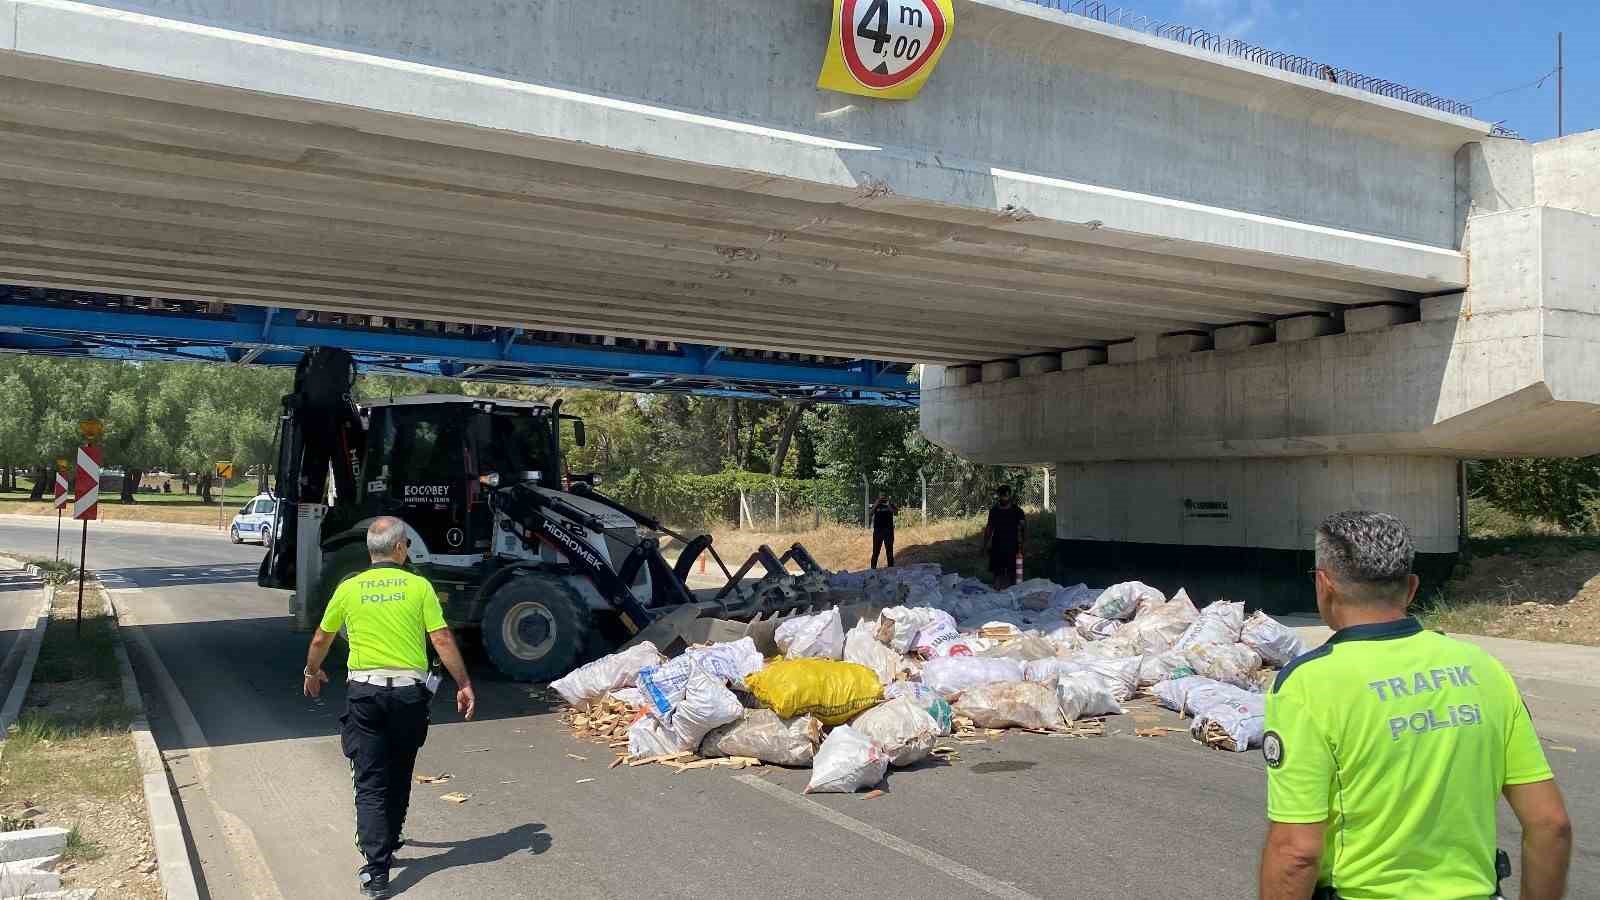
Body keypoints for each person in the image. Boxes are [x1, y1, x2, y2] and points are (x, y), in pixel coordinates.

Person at [1259, 511, 1572, 900]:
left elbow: (1296, 852)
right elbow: (1550, 823)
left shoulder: (1306, 685)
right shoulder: (1483, 669)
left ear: (1324, 585)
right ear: (1411, 587)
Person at [302, 517, 477, 899]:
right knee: (400, 770)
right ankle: (390, 837)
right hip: (409, 697)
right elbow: (442, 639)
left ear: (370, 551)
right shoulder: (419, 587)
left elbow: (321, 637)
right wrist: (463, 683)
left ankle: (376, 868)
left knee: (370, 780)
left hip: (365, 695)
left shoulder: (350, 588)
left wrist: (312, 671)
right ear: (400, 549)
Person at [981, 485, 1026, 589]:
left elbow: (1023, 528)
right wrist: (984, 545)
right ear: (998, 496)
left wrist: (1023, 545)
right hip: (997, 545)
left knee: (1012, 573)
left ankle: (1012, 592)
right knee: (997, 573)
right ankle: (997, 592)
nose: (1004, 498)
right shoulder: (994, 511)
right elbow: (989, 528)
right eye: (1002, 496)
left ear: (1010, 496)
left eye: (1006, 495)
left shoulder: (1017, 511)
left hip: (1013, 545)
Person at [870, 494, 897, 569]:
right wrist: (876, 503)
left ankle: (891, 569)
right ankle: (872, 569)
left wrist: (889, 505)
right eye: (881, 497)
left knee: (889, 552)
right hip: (878, 530)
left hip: (888, 530)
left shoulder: (890, 504)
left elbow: (896, 513)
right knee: (875, 551)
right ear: (878, 497)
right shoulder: (876, 504)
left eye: (884, 497)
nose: (883, 499)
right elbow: (871, 513)